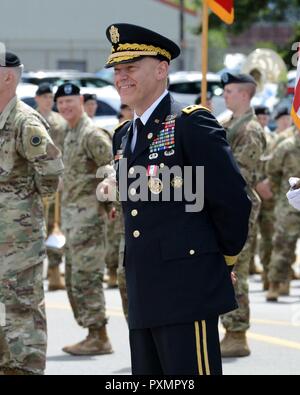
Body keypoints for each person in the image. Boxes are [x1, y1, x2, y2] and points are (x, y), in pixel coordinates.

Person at [104, 23, 251, 375]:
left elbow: (231, 200)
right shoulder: (124, 135)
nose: (122, 77)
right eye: (118, 70)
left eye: (131, 67)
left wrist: (221, 262)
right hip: (143, 289)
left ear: (161, 68)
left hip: (187, 289)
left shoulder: (190, 124)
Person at [0, 52, 64, 375]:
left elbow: (52, 171)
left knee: (23, 312)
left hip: (20, 241)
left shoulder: (25, 122)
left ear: (8, 77)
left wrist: (25, 205)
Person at [55, 83, 113, 356]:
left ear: (81, 100)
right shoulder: (69, 133)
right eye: (61, 103)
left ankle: (99, 335)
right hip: (72, 219)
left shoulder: (91, 134)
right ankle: (92, 332)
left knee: (87, 277)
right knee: (75, 278)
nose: (65, 107)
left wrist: (109, 205)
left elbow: (110, 171)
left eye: (70, 101)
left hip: (89, 218)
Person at [220, 72, 266, 358]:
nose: (225, 95)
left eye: (230, 91)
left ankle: (237, 333)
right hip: (226, 206)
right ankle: (230, 328)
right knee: (227, 269)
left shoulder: (249, 129)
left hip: (239, 206)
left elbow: (240, 174)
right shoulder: (230, 124)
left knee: (238, 269)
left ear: (245, 95)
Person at [35, 82, 67, 291]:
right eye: (44, 96)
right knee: (38, 225)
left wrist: (63, 174)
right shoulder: (31, 118)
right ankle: (40, 267)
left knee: (56, 223)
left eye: (50, 96)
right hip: (36, 180)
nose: (48, 99)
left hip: (56, 180)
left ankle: (54, 270)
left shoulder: (60, 121)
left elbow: (64, 150)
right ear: (37, 98)